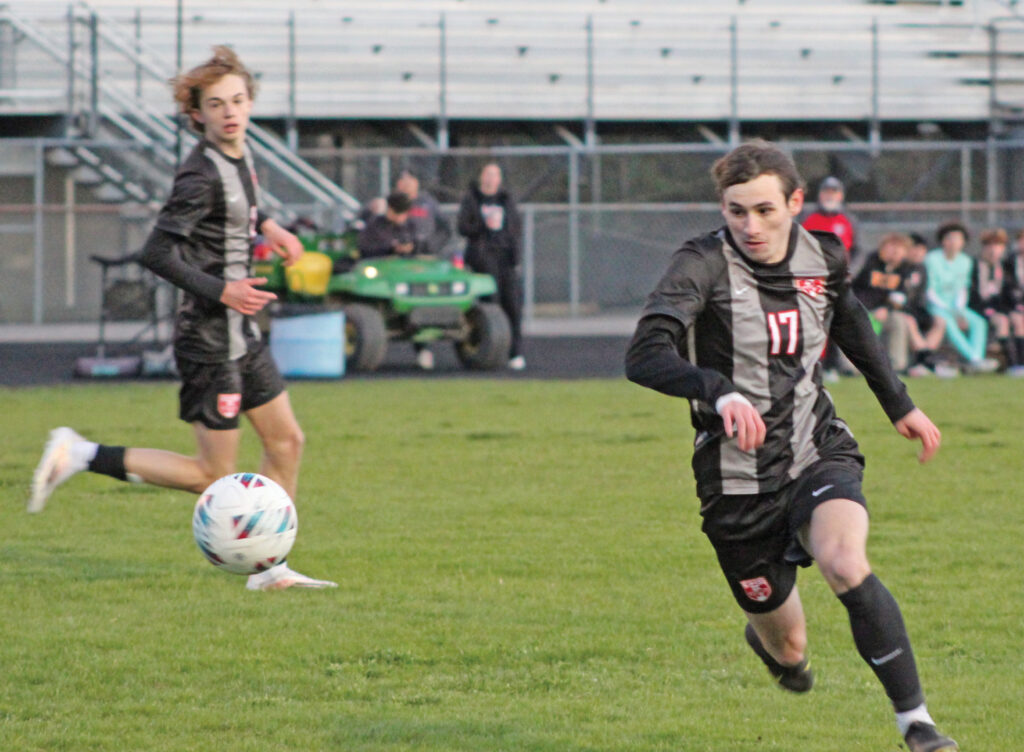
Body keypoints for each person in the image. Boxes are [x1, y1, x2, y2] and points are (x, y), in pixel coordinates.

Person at [625, 140, 957, 752]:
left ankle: (918, 724)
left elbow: (851, 319)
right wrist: (717, 392)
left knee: (844, 563)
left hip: (814, 449)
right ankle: (775, 648)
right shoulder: (700, 263)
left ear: (795, 201)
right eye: (736, 211)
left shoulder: (822, 257)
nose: (751, 226)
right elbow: (644, 355)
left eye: (765, 210)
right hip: (735, 481)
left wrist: (899, 404)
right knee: (791, 647)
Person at [28, 46, 336, 592]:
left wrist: (271, 228)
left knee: (286, 443)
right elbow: (156, 253)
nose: (230, 112)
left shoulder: (239, 155)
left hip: (242, 332)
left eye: (238, 100)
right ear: (197, 114)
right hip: (210, 337)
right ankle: (79, 452)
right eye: (216, 105)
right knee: (210, 475)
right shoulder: (199, 174)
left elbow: (240, 206)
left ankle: (271, 568)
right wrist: (224, 289)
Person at [457, 162, 525, 370]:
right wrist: (483, 225)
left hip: (505, 260)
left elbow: (515, 228)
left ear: (500, 179)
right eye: (487, 174)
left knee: (512, 306)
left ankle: (515, 352)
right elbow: (463, 227)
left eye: (495, 175)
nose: (490, 179)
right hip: (483, 260)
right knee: (490, 304)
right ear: (481, 177)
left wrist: (515, 256)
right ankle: (489, 351)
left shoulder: (507, 201)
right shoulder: (471, 199)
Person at [801, 176, 859, 381]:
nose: (830, 196)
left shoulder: (848, 221)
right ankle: (816, 364)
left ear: (840, 196)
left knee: (838, 321)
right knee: (814, 321)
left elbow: (856, 251)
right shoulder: (808, 218)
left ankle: (834, 365)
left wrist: (850, 272)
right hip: (811, 279)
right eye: (826, 192)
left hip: (839, 280)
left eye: (834, 193)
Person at [925, 221, 998, 373]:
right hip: (936, 306)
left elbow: (962, 288)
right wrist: (948, 310)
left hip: (956, 306)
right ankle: (974, 359)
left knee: (979, 322)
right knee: (948, 323)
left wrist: (958, 309)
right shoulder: (932, 259)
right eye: (951, 238)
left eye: (959, 239)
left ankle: (976, 357)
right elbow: (929, 290)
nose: (954, 242)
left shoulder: (965, 261)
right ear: (943, 241)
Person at [852, 232, 914, 372]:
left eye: (898, 249)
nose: (893, 252)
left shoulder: (905, 269)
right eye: (890, 247)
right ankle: (852, 367)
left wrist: (886, 308)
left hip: (886, 312)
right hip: (862, 309)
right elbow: (856, 286)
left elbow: (901, 297)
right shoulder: (869, 261)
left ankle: (897, 365)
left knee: (899, 321)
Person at [969, 228, 1022, 373]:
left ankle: (1020, 363)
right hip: (979, 310)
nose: (993, 251)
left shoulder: (1005, 268)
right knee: (1002, 322)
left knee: (1018, 320)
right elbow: (972, 295)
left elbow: (1010, 294)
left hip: (1000, 309)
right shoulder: (975, 266)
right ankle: (1012, 365)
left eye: (998, 247)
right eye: (989, 246)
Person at [903, 234, 954, 377]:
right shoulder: (901, 267)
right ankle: (927, 362)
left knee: (940, 321)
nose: (918, 253)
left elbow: (920, 297)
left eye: (922, 249)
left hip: (916, 309)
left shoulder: (921, 269)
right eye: (915, 249)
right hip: (901, 311)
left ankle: (924, 361)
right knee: (910, 321)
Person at [395, 168, 451, 256]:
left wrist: (430, 246)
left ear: (416, 182)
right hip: (397, 256)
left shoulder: (428, 202)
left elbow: (444, 230)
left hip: (424, 255)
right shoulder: (391, 205)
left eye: (410, 180)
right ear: (398, 184)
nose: (407, 184)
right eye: (403, 180)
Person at [356, 191, 415, 259]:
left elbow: (422, 248)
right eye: (397, 213)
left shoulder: (409, 227)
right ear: (390, 209)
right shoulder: (375, 225)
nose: (400, 217)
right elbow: (365, 249)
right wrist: (391, 248)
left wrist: (410, 248)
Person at [1002, 229, 1024, 376]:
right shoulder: (1009, 262)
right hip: (1012, 306)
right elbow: (1008, 289)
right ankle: (1016, 364)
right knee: (1017, 321)